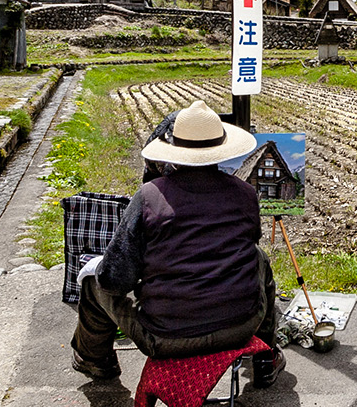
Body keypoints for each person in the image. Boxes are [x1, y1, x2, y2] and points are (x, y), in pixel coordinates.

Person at [70, 99, 285, 387]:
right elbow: (249, 242)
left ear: (173, 152)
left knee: (92, 283)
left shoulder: (149, 196)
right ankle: (267, 356)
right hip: (241, 327)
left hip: (165, 337)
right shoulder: (245, 193)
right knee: (259, 258)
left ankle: (96, 361)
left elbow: (114, 280)